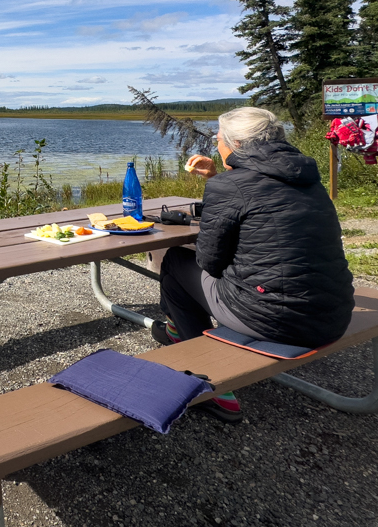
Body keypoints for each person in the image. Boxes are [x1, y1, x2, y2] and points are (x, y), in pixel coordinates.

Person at [151, 107, 355, 423]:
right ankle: (177, 330)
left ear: (234, 143)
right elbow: (264, 211)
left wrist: (221, 188)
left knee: (177, 260)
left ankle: (208, 383)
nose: (216, 145)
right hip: (333, 314)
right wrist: (221, 179)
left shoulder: (232, 186)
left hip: (273, 320)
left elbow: (209, 262)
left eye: (218, 139)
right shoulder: (308, 179)